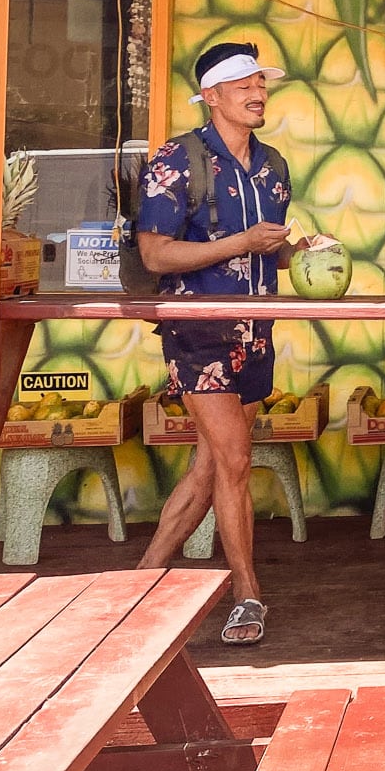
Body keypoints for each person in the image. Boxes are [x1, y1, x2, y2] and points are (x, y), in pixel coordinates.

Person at [134, 41, 294, 646]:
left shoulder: (274, 165)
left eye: (261, 84)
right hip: (196, 330)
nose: (257, 93)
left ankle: (142, 580)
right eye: (243, 84)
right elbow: (154, 252)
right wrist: (241, 243)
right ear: (211, 95)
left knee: (209, 467)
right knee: (233, 460)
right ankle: (246, 594)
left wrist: (295, 250)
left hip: (256, 332)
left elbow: (266, 246)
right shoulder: (179, 158)